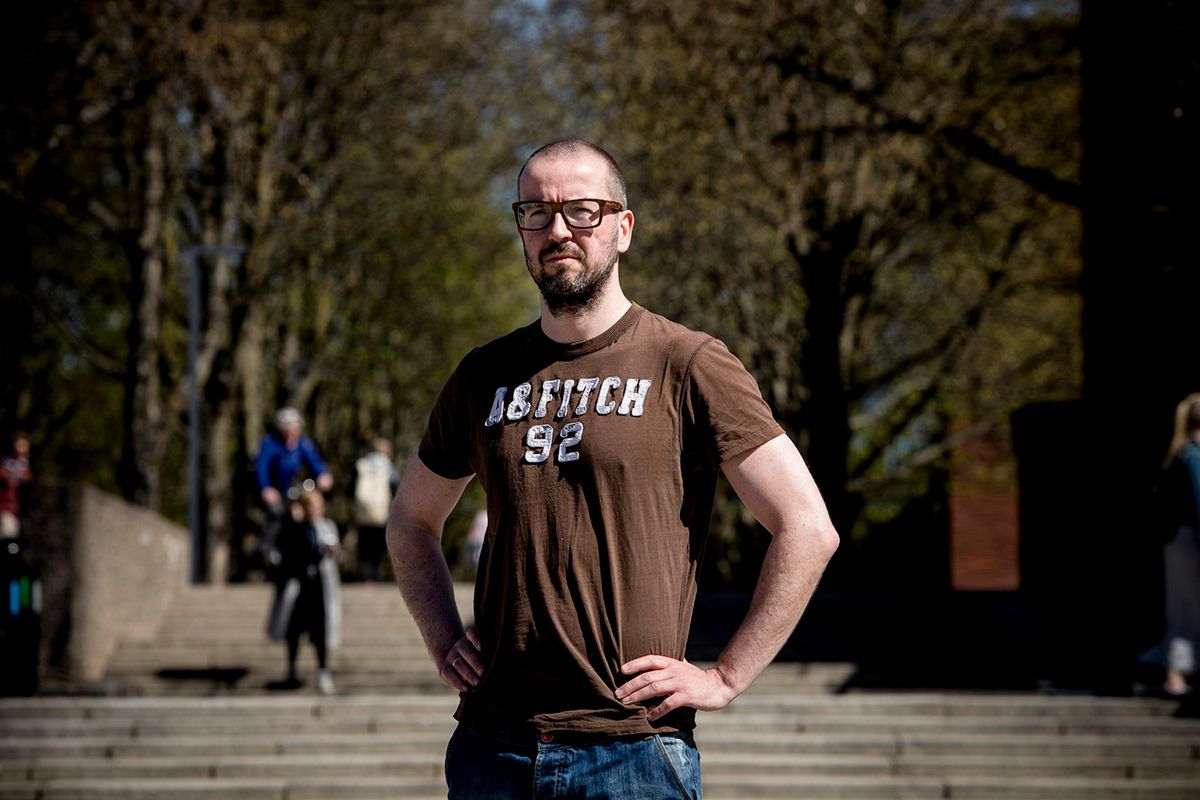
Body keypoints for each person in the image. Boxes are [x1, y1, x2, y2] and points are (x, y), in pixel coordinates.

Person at [386, 139, 840, 798]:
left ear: (623, 228)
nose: (558, 230)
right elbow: (410, 520)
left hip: (632, 754)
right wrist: (441, 635)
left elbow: (807, 526)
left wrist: (726, 676)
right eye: (535, 213)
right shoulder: (483, 375)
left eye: (583, 211)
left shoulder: (687, 362)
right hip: (493, 748)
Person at [1144, 393, 1200, 697]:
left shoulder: (1179, 454)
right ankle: (1176, 674)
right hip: (1191, 539)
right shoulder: (1194, 456)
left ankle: (1175, 673)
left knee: (1182, 610)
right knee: (1188, 611)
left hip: (1177, 541)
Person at [265, 486, 342, 694]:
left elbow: (336, 557)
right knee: (294, 631)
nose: (318, 509)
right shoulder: (293, 527)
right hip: (299, 587)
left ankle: (323, 671)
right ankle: (291, 669)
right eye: (313, 505)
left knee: (320, 631)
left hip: (319, 587)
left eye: (319, 505)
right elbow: (288, 552)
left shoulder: (326, 526)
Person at [255, 407, 333, 562]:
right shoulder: (270, 444)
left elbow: (315, 462)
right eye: (287, 429)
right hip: (276, 489)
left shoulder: (302, 443)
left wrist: (323, 475)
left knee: (313, 507)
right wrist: (266, 488)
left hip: (295, 488)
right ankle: (267, 549)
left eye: (294, 428)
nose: (291, 433)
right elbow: (261, 468)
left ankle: (319, 542)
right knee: (277, 513)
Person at [350, 437, 400, 582]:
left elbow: (351, 488)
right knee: (378, 546)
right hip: (381, 513)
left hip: (362, 512)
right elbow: (395, 488)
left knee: (364, 546)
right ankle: (375, 576)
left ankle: (366, 577)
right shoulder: (389, 467)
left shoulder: (361, 465)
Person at [0, 432, 32, 539]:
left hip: (19, 510)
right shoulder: (6, 464)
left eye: (25, 446)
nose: (23, 449)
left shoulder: (25, 467)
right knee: (8, 534)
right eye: (20, 445)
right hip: (6, 507)